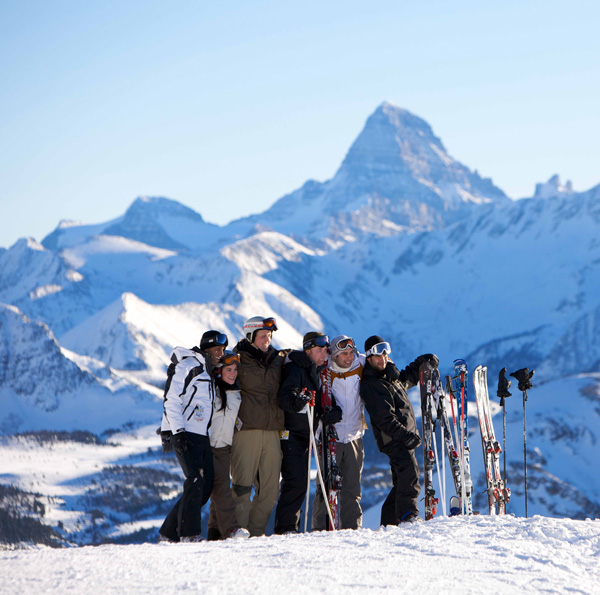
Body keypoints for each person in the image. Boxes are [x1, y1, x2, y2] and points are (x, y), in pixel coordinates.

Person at [359, 335, 438, 525]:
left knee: (402, 481)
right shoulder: (372, 384)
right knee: (409, 473)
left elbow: (407, 379)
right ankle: (407, 516)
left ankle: (389, 520)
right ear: (368, 358)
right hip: (393, 439)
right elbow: (385, 420)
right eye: (378, 356)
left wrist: (423, 362)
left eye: (385, 354)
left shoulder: (389, 378)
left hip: (401, 437)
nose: (383, 359)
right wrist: (406, 436)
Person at [231, 316, 288, 537]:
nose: (267, 340)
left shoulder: (278, 359)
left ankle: (254, 534)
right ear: (250, 336)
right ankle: (237, 533)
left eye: (270, 336)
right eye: (263, 336)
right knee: (242, 488)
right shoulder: (236, 359)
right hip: (246, 431)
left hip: (273, 430)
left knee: (271, 490)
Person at [275, 331, 335, 534]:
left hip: (305, 433)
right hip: (292, 433)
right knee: (295, 481)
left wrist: (329, 412)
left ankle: (290, 526)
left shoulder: (314, 369)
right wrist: (297, 401)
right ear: (308, 351)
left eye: (325, 350)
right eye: (319, 350)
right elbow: (285, 398)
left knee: (299, 482)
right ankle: (286, 527)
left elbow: (315, 399)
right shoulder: (296, 368)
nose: (324, 354)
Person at [158, 336, 216, 542]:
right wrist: (178, 431)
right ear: (206, 350)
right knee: (195, 480)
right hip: (186, 433)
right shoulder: (189, 365)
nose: (219, 353)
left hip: (202, 434)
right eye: (215, 349)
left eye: (222, 349)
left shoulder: (208, 370)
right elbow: (172, 399)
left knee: (206, 484)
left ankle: (168, 532)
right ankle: (189, 534)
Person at [312, 335, 366, 531]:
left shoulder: (360, 364)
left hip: (353, 436)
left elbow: (381, 360)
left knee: (352, 489)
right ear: (334, 355)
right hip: (328, 436)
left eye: (351, 352)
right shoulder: (323, 370)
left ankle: (353, 529)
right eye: (344, 353)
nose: (349, 357)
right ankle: (320, 530)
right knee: (325, 489)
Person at [207, 351, 251, 540]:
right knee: (220, 488)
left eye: (235, 370)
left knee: (220, 488)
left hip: (224, 447)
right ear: (219, 371)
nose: (233, 374)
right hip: (208, 446)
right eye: (228, 370)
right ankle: (231, 530)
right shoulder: (210, 392)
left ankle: (215, 532)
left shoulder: (237, 394)